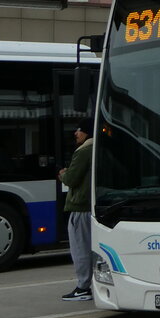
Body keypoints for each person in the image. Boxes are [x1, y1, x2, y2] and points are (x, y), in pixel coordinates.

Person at [59, 117, 95, 301]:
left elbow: (72, 179)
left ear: (87, 131)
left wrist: (63, 174)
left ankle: (82, 288)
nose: (76, 133)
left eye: (79, 129)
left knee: (80, 249)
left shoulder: (83, 151)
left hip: (80, 208)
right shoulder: (98, 148)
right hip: (92, 207)